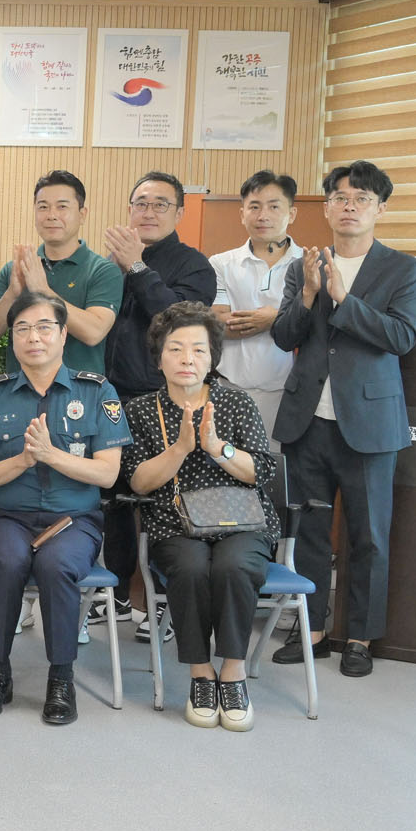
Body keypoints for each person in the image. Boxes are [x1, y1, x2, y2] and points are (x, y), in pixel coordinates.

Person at [269, 160, 416, 678]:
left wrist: (342, 299)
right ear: (327, 207)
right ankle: (310, 631)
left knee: (369, 536)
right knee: (308, 530)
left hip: (370, 425)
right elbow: (284, 336)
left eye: (361, 198)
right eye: (339, 197)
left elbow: (401, 338)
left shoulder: (405, 269)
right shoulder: (304, 265)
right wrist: (310, 295)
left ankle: (359, 637)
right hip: (307, 420)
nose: (349, 206)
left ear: (381, 208)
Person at [0, 291, 129, 725]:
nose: (33, 337)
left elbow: (108, 474)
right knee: (7, 561)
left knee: (57, 565)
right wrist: (22, 461)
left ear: (64, 335)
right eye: (22, 329)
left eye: (44, 327)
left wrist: (52, 455)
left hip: (74, 521)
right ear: (12, 339)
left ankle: (61, 678)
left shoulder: (97, 392)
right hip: (7, 517)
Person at [121, 304, 279, 732]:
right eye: (175, 349)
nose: (187, 359)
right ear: (159, 359)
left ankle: (233, 673)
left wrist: (216, 448)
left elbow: (261, 470)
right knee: (190, 568)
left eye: (198, 350)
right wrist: (179, 449)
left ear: (212, 359)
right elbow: (137, 482)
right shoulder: (140, 410)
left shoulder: (236, 402)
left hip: (242, 521)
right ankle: (200, 675)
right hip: (174, 522)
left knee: (235, 565)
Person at [98, 172, 217, 628]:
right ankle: (116, 593)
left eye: (160, 204)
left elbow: (178, 324)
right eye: (140, 203)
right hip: (111, 397)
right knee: (113, 498)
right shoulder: (109, 263)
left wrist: (137, 268)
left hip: (163, 399)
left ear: (180, 213)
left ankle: (161, 597)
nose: (148, 212)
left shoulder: (194, 265)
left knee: (164, 499)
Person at [0, 170, 121, 377]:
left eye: (62, 207)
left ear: (82, 214)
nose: (51, 215)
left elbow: (94, 332)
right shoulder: (15, 268)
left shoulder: (103, 270)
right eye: (43, 207)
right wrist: (12, 294)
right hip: (21, 390)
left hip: (81, 392)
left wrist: (43, 291)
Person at [209, 170, 302, 442]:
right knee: (225, 462)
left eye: (274, 206)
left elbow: (311, 328)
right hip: (229, 388)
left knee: (277, 465)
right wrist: (282, 319)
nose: (263, 216)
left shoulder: (309, 263)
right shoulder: (221, 263)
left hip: (288, 394)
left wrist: (275, 318)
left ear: (291, 214)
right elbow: (218, 324)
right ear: (242, 214)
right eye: (254, 207)